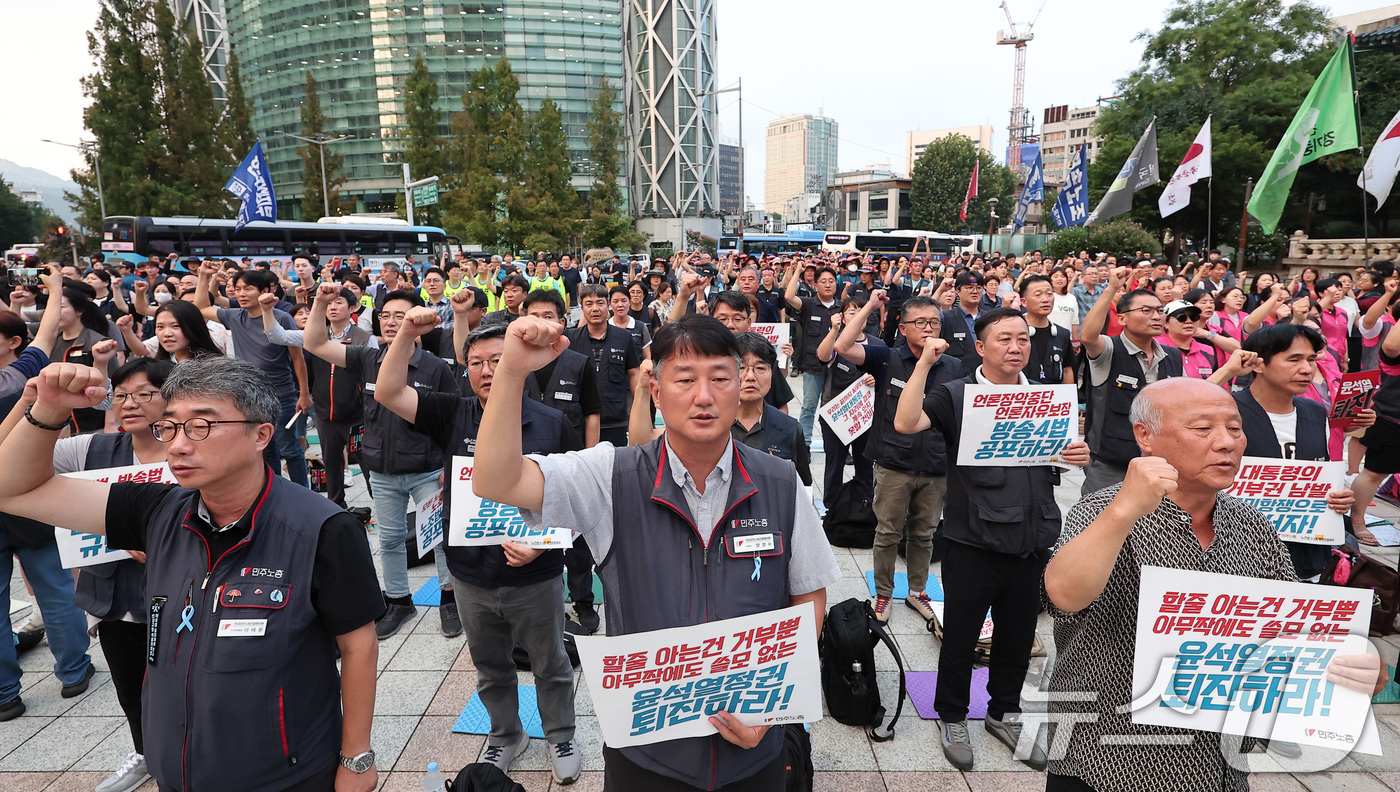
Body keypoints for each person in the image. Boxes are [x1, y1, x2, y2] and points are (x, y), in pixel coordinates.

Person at [472, 314, 840, 791]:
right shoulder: (612, 476)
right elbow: (496, 481)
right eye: (685, 380)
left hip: (755, 752)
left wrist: (769, 709)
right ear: (657, 390)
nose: (704, 396)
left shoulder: (779, 481)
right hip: (647, 757)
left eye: (720, 378)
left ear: (744, 387)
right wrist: (512, 373)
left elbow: (809, 594)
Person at [0, 356, 384, 792]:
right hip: (177, 769)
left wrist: (356, 759)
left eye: (201, 426)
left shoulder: (322, 528)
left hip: (285, 773)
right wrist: (46, 410)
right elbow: (12, 489)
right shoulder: (156, 510)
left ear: (261, 435)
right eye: (170, 427)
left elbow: (358, 646)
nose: (178, 445)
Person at [1041, 377, 1387, 792]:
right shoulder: (1103, 511)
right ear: (1145, 437)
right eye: (1203, 429)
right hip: (1108, 757)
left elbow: (1295, 631)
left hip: (1219, 762)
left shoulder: (1251, 523)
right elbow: (1064, 594)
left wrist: (1352, 667)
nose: (1226, 443)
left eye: (1235, 428)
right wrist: (1125, 510)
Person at [372, 314, 584, 784]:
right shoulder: (454, 412)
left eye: (499, 359)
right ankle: (506, 734)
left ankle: (561, 733)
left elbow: (573, 501)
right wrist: (406, 332)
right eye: (477, 362)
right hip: (469, 575)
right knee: (490, 665)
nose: (487, 370)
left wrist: (540, 545)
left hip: (535, 574)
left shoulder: (552, 423)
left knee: (550, 663)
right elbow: (388, 392)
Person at [894, 306, 1089, 772]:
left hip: (1033, 539)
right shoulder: (957, 395)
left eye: (1022, 339)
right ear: (980, 347)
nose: (1016, 347)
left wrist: (1076, 453)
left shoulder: (1046, 398)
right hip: (973, 540)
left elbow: (1059, 460)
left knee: (1019, 635)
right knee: (960, 636)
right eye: (1004, 339)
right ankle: (953, 715)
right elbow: (906, 423)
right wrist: (923, 363)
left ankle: (1005, 712)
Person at [4, 358, 176, 790]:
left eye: (144, 394)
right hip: (115, 599)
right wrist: (33, 408)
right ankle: (146, 752)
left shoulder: (189, 451)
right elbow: (7, 469)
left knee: (191, 688)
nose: (129, 403)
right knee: (131, 687)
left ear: (171, 397)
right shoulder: (89, 449)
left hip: (181, 598)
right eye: (120, 395)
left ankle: (194, 757)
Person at [302, 284, 461, 638]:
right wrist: (319, 302)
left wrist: (450, 468)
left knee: (440, 539)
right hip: (383, 470)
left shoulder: (436, 368)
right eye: (385, 316)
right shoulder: (367, 358)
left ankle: (451, 599)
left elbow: (455, 422)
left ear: (419, 322)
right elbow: (314, 344)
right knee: (388, 541)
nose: (391, 322)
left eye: (400, 316)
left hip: (428, 471)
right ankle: (399, 601)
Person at [835, 292, 962, 623]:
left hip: (936, 465)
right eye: (919, 322)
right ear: (903, 328)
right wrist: (870, 307)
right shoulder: (886, 358)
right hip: (893, 464)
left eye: (934, 321)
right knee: (888, 531)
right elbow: (843, 346)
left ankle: (918, 591)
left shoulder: (954, 366)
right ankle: (883, 593)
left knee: (924, 533)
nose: (928, 328)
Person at [193, 265, 312, 487]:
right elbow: (201, 307)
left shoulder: (282, 318)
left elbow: (297, 358)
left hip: (282, 395)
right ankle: (275, 491)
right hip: (251, 396)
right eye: (237, 289)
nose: (241, 294)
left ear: (266, 290)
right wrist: (203, 277)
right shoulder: (235, 316)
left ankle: (302, 492)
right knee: (265, 450)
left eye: (248, 288)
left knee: (289, 448)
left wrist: (303, 394)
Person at [1079, 267, 1184, 494]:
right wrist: (1111, 288)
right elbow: (1087, 336)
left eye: (1159, 311)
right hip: (1109, 465)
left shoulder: (1172, 356)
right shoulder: (1109, 350)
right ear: (1122, 318)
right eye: (1146, 310)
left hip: (1158, 464)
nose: (1156, 316)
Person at [815, 296, 884, 502]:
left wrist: (877, 378)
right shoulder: (835, 342)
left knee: (865, 465)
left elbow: (889, 377)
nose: (857, 316)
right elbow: (823, 356)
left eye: (861, 311)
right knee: (834, 464)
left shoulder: (877, 345)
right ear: (843, 317)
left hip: (866, 418)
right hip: (835, 416)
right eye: (851, 312)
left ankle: (864, 506)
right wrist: (834, 331)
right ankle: (832, 507)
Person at [565, 284, 640, 447]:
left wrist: (639, 406)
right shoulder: (571, 338)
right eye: (589, 304)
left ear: (608, 305)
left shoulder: (624, 337)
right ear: (582, 307)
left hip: (615, 419)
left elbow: (634, 373)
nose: (595, 309)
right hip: (579, 420)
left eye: (600, 303)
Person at [783, 264, 842, 444]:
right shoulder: (809, 304)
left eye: (831, 281)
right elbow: (788, 296)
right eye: (823, 281)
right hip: (813, 366)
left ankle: (837, 444)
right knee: (808, 407)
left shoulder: (842, 307)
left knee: (835, 408)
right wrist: (798, 272)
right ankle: (805, 444)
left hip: (837, 367)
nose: (827, 285)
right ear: (815, 285)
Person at [1018, 275, 1076, 384]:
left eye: (1049, 294)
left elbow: (1067, 370)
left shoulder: (1062, 334)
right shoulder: (1013, 332)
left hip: (1053, 397)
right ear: (1024, 302)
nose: (1045, 300)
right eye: (1038, 295)